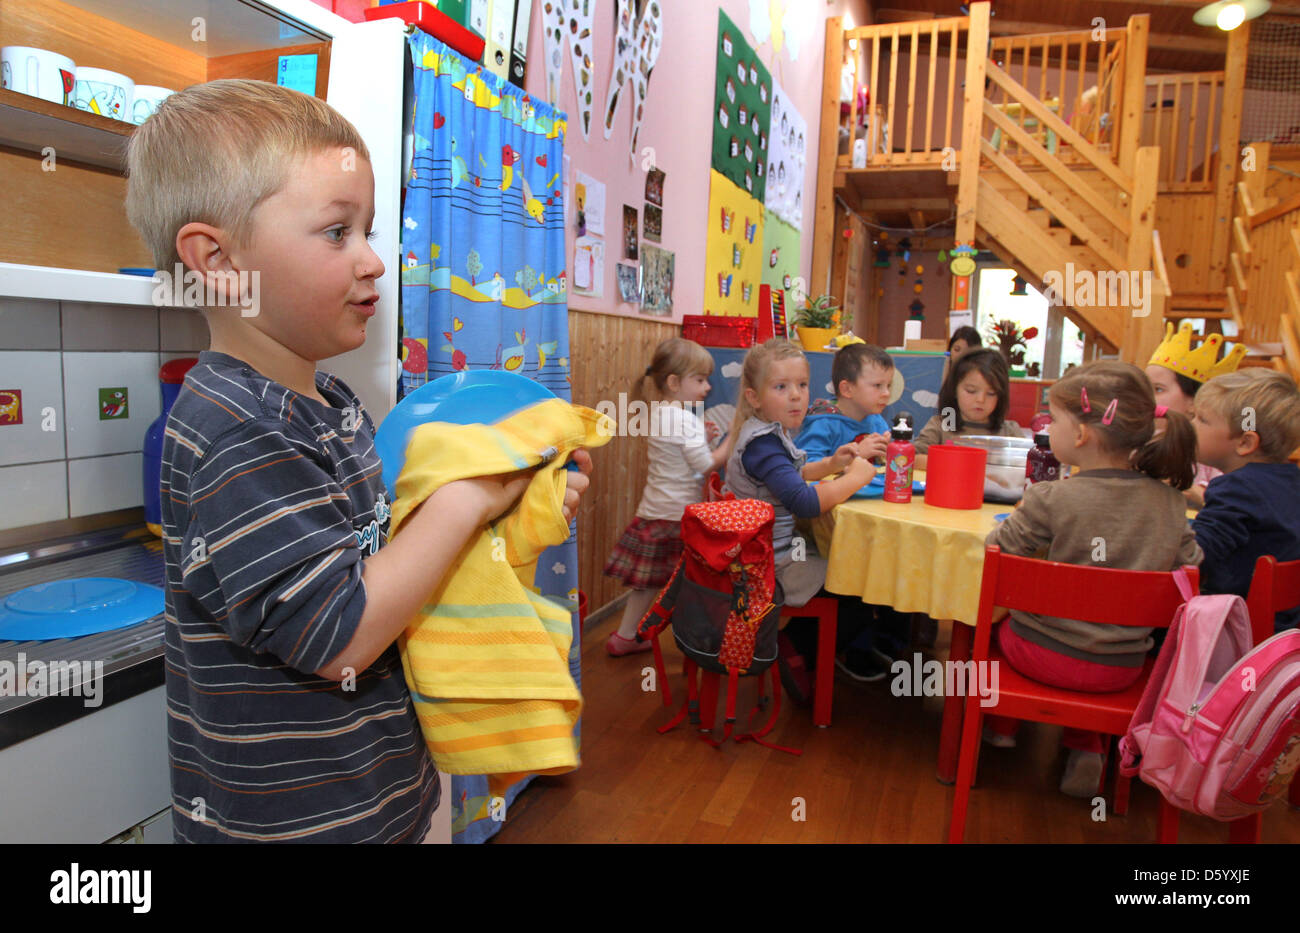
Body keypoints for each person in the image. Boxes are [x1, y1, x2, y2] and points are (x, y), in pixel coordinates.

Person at [127, 80, 590, 842]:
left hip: (379, 799)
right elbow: (339, 633)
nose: (376, 260)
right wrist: (465, 500)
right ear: (216, 258)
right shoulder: (234, 429)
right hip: (298, 826)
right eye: (338, 232)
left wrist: (509, 512)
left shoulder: (331, 401)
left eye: (370, 230)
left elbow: (385, 564)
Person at [984, 361, 1202, 797]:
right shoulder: (1170, 502)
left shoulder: (1051, 497)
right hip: (1121, 668)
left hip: (1039, 656)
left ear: (1081, 435)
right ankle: (1086, 746)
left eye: (1055, 420)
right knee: (1085, 636)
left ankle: (1002, 727)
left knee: (992, 624)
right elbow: (1192, 564)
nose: (1047, 427)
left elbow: (999, 548)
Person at [722, 339, 880, 695]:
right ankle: (793, 649)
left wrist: (831, 464)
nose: (796, 396)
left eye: (802, 385)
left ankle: (797, 647)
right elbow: (804, 502)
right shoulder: (763, 444)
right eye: (781, 387)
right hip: (766, 567)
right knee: (857, 586)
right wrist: (854, 478)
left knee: (852, 574)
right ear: (754, 397)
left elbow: (792, 474)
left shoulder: (768, 434)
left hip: (763, 554)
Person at [604, 337, 727, 656]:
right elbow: (703, 466)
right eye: (700, 380)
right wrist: (731, 441)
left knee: (648, 585)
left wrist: (704, 437)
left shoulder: (661, 413)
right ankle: (699, 642)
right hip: (675, 516)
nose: (707, 387)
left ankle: (625, 636)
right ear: (674, 382)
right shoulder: (684, 419)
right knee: (691, 585)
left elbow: (684, 461)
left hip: (655, 510)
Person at [794, 342, 910, 672]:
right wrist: (856, 455)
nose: (886, 393)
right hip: (820, 531)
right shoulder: (824, 423)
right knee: (865, 576)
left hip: (869, 514)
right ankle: (844, 647)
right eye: (877, 385)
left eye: (888, 385)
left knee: (892, 565)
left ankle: (878, 643)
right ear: (846, 388)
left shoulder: (875, 421)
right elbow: (804, 471)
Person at [1191, 368, 1300, 632]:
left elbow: (1197, 555)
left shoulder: (1236, 487)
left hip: (1236, 630)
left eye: (1201, 419)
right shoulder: (1291, 480)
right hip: (1285, 625)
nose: (1190, 425)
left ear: (1245, 442)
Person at [1146, 321, 1248, 509]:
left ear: (1195, 402)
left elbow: (1233, 505)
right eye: (1145, 388)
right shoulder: (1140, 443)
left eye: (1158, 389)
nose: (1147, 398)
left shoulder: (1211, 452)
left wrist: (1192, 492)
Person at [914, 347, 1026, 471]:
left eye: (991, 393)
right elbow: (913, 458)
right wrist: (961, 464)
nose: (981, 399)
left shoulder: (1009, 432)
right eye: (971, 391)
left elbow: (1026, 467)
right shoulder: (942, 425)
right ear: (954, 389)